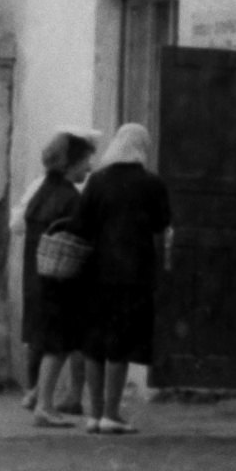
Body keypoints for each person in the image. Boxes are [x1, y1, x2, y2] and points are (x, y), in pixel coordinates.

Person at [73, 122, 173, 434]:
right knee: (120, 344)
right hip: (133, 273)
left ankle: (94, 414)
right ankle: (112, 414)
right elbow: (161, 224)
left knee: (94, 344)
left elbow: (80, 224)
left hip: (96, 272)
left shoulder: (97, 180)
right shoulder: (152, 183)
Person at [18, 131, 94, 421]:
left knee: (47, 341)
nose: (89, 168)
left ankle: (37, 394)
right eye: (85, 162)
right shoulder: (70, 197)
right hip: (61, 282)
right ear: (69, 164)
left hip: (36, 279)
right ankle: (45, 406)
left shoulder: (42, 192)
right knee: (59, 345)